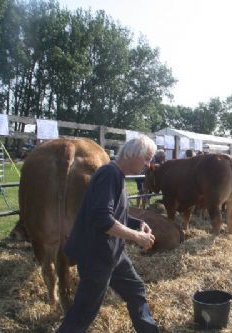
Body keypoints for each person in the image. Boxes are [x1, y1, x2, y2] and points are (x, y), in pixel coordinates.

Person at [57, 135, 159, 333]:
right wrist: (138, 237)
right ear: (133, 154)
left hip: (113, 253)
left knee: (136, 291)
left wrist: (139, 224)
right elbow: (102, 220)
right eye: (146, 158)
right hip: (96, 255)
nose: (148, 164)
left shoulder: (117, 175)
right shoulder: (109, 174)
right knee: (84, 311)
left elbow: (114, 214)